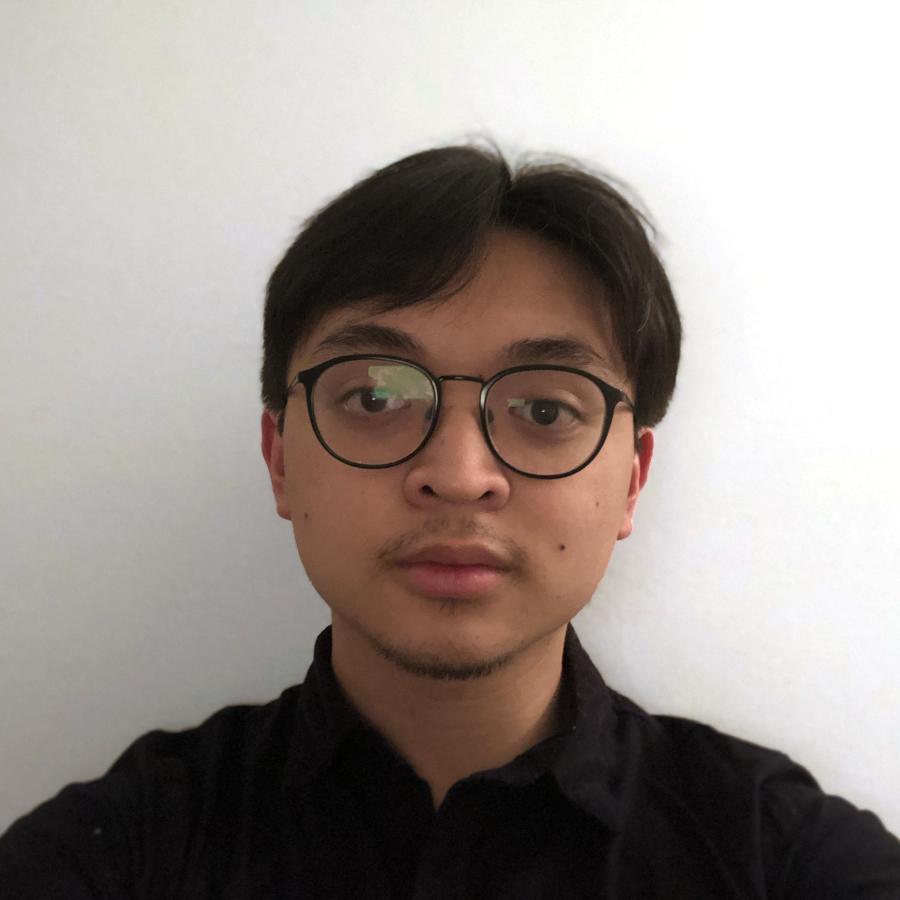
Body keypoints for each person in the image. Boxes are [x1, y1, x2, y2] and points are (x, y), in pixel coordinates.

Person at [1, 144, 898, 899]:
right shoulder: (122, 852)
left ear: (631, 482)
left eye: (546, 411)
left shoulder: (780, 860)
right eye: (375, 395)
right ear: (280, 458)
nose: (460, 477)